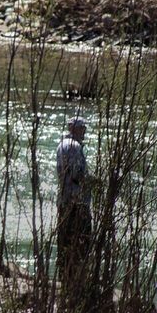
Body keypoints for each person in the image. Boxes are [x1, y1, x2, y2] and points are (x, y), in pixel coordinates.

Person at [55, 116, 91, 279]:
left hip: (64, 200)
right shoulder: (74, 147)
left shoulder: (61, 145)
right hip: (77, 203)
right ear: (74, 129)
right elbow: (78, 175)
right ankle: (76, 279)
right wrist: (95, 182)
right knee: (80, 243)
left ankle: (64, 276)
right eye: (82, 128)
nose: (84, 131)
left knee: (65, 243)